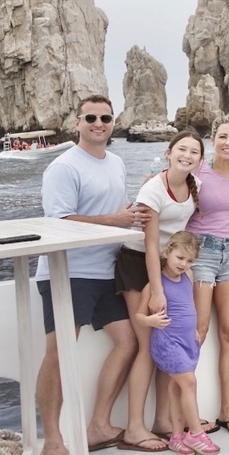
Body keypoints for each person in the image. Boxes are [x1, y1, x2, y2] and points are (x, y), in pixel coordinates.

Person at [36, 95, 147, 454]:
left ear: (114, 122)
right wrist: (113, 221)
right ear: (77, 122)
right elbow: (57, 220)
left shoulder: (115, 163)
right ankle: (53, 440)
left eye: (106, 118)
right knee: (58, 353)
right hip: (68, 272)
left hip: (107, 270)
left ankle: (98, 425)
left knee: (130, 342)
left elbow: (115, 210)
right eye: (92, 118)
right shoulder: (64, 167)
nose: (99, 123)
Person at [118, 130, 205, 445]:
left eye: (194, 151)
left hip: (169, 268)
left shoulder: (196, 186)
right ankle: (134, 428)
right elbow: (151, 244)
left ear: (200, 159)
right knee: (146, 347)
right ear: (169, 152)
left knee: (169, 349)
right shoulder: (154, 189)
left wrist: (181, 277)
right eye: (181, 149)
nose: (187, 155)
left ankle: (165, 420)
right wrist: (157, 291)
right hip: (139, 263)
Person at [187, 114, 229, 437]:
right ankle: (190, 413)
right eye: (223, 136)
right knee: (198, 330)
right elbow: (164, 193)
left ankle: (227, 409)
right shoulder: (195, 170)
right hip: (202, 253)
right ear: (212, 138)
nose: (228, 143)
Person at [139, 232, 220, 455]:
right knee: (189, 383)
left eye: (189, 260)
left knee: (176, 388)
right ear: (167, 253)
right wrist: (150, 320)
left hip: (187, 343)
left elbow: (187, 304)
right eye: (180, 258)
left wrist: (193, 329)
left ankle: (176, 437)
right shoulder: (155, 285)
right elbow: (138, 315)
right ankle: (195, 433)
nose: (184, 264)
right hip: (167, 343)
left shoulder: (189, 276)